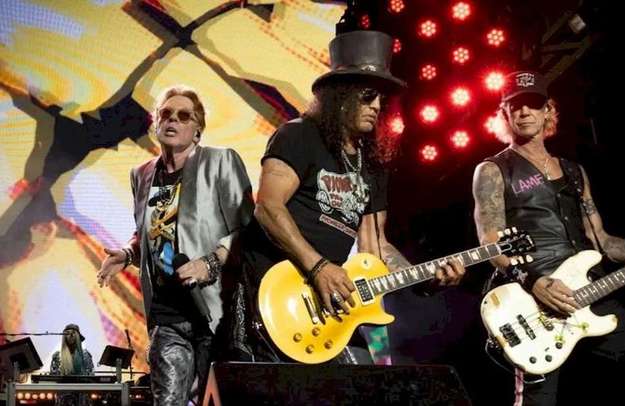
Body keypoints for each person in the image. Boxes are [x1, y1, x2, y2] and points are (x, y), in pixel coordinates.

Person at [471, 70, 625, 406]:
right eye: (515, 105)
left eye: (532, 104)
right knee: (538, 400)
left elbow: (604, 243)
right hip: (533, 301)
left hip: (590, 291)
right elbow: (489, 243)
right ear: (505, 114)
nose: (524, 112)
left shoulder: (573, 171)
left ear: (547, 110)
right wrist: (534, 282)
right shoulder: (493, 170)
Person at [247, 30, 465, 364]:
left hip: (332, 305)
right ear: (341, 95)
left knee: (364, 380)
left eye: (381, 100)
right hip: (281, 292)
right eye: (367, 96)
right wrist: (318, 266)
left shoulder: (371, 165)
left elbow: (375, 247)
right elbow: (267, 207)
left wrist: (425, 278)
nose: (377, 106)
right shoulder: (299, 135)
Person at [96, 85, 254, 406]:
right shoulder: (142, 175)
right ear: (155, 122)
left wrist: (209, 263)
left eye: (184, 116)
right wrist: (128, 253)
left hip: (216, 311)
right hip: (166, 313)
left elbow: (247, 230)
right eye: (166, 114)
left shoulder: (220, 162)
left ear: (198, 130)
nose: (173, 120)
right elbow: (154, 232)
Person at [49, 324, 94, 406]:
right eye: (67, 333)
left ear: (77, 336)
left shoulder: (85, 356)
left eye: (73, 333)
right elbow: (53, 377)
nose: (70, 335)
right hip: (64, 398)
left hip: (82, 398)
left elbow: (91, 376)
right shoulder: (57, 356)